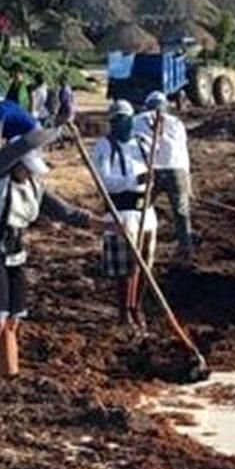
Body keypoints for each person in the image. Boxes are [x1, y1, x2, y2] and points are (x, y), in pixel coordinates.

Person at [0, 126, 97, 376]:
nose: (29, 174)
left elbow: (67, 212)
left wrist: (106, 224)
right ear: (14, 163)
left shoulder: (33, 186)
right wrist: (58, 127)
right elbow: (23, 144)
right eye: (26, 168)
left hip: (14, 256)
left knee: (12, 322)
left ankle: (9, 376)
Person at [92, 100, 158, 332]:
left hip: (145, 212)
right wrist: (133, 181)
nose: (120, 124)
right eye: (116, 120)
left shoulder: (143, 144)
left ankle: (136, 307)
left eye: (124, 119)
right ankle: (124, 313)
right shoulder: (104, 146)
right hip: (121, 211)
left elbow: (156, 166)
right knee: (125, 267)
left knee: (144, 265)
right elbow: (104, 182)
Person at [134, 91, 193, 258]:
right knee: (181, 211)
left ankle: (136, 241)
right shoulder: (177, 123)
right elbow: (183, 151)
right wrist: (187, 182)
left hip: (151, 170)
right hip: (177, 169)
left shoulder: (138, 120)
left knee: (140, 207)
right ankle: (185, 247)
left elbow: (136, 147)